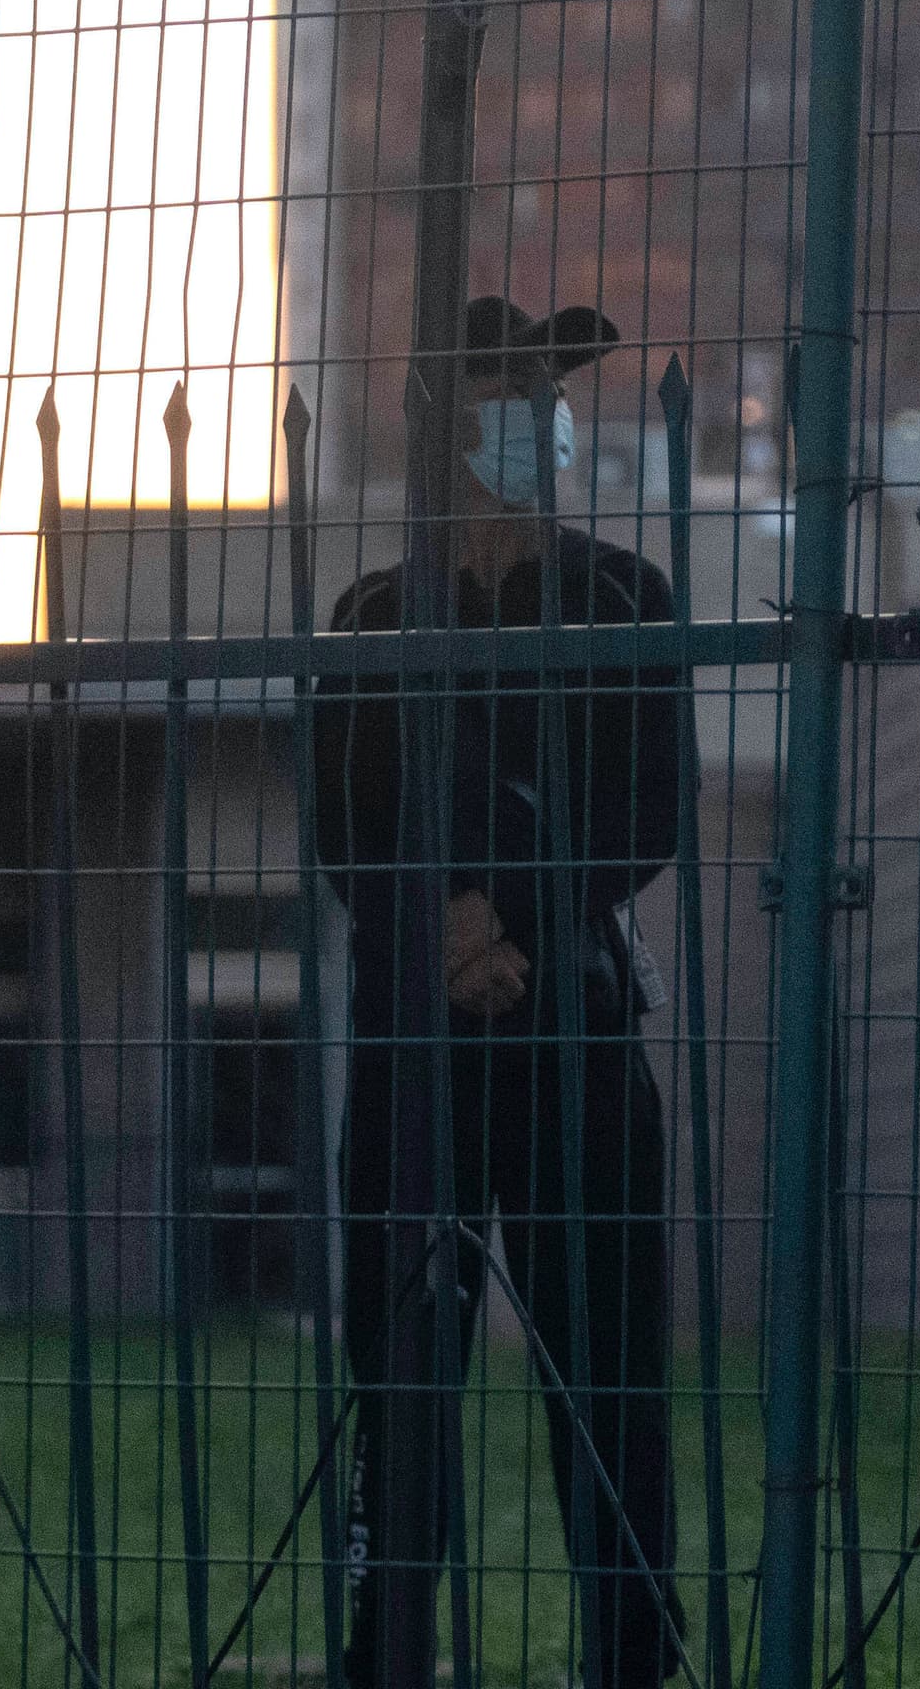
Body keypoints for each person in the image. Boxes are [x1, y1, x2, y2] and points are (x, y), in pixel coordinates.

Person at [309, 295, 689, 1689]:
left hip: (575, 1035)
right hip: (419, 1058)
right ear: (445, 423)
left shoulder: (623, 597)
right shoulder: (368, 620)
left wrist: (507, 915)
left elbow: (648, 806)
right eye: (510, 387)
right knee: (400, 1387)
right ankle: (385, 1646)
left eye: (553, 387)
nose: (543, 412)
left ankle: (631, 1659)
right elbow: (347, 829)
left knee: (611, 1389)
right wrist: (442, 929)